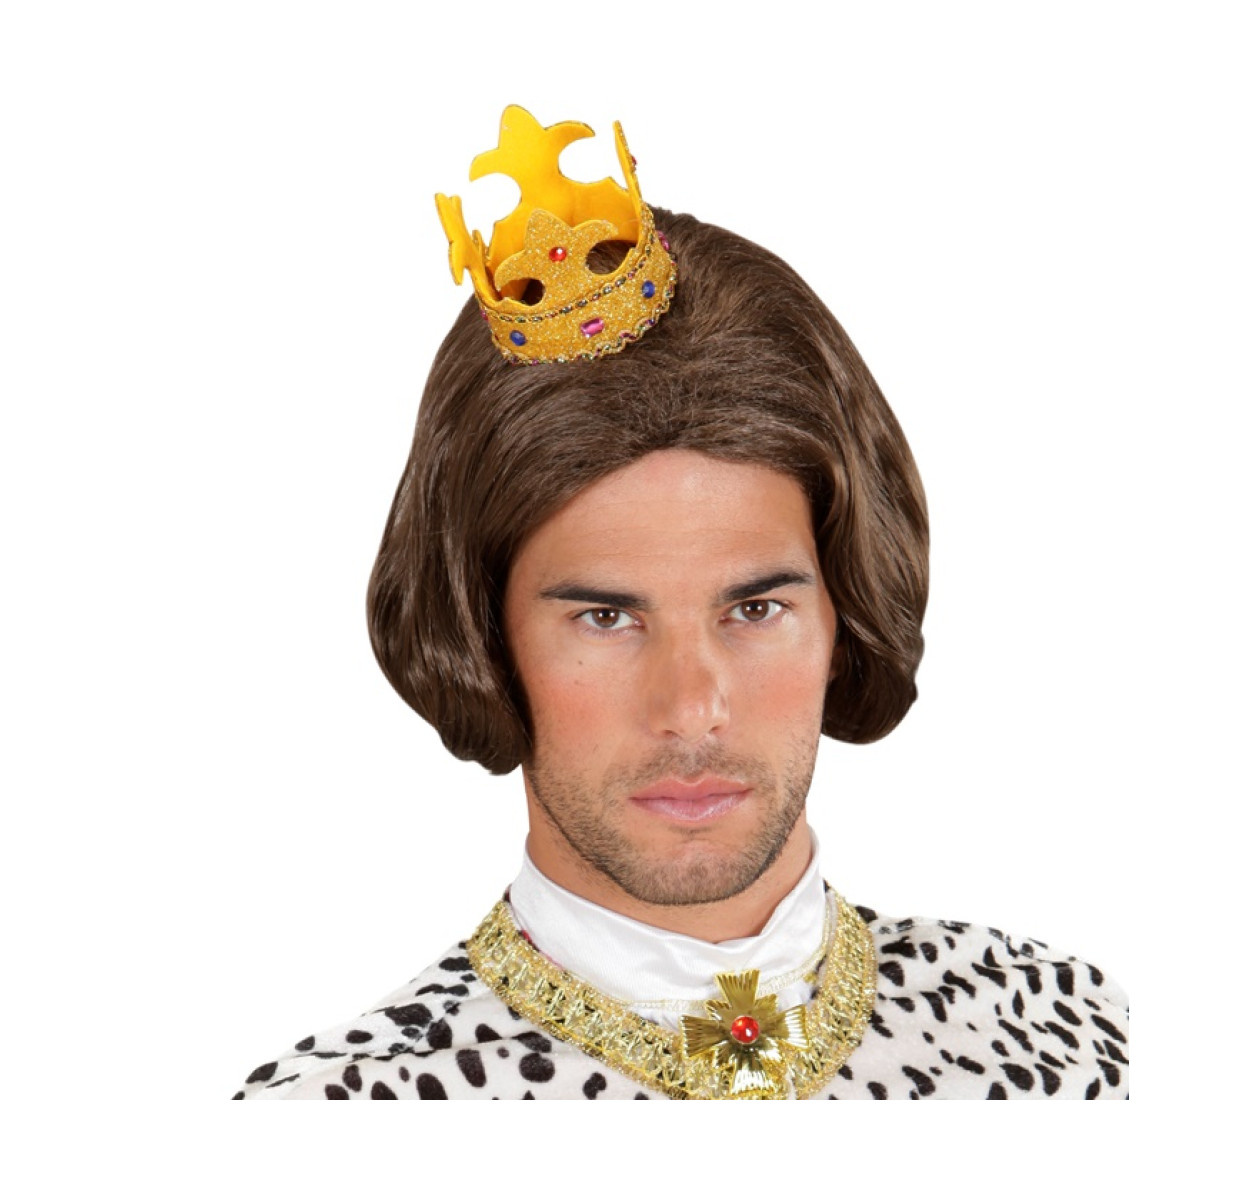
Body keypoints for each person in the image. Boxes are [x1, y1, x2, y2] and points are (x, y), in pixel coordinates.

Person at [234, 106, 1128, 1100]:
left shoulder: (1065, 1041)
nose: (692, 709)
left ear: (843, 616)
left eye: (754, 610)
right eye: (606, 618)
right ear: (484, 636)